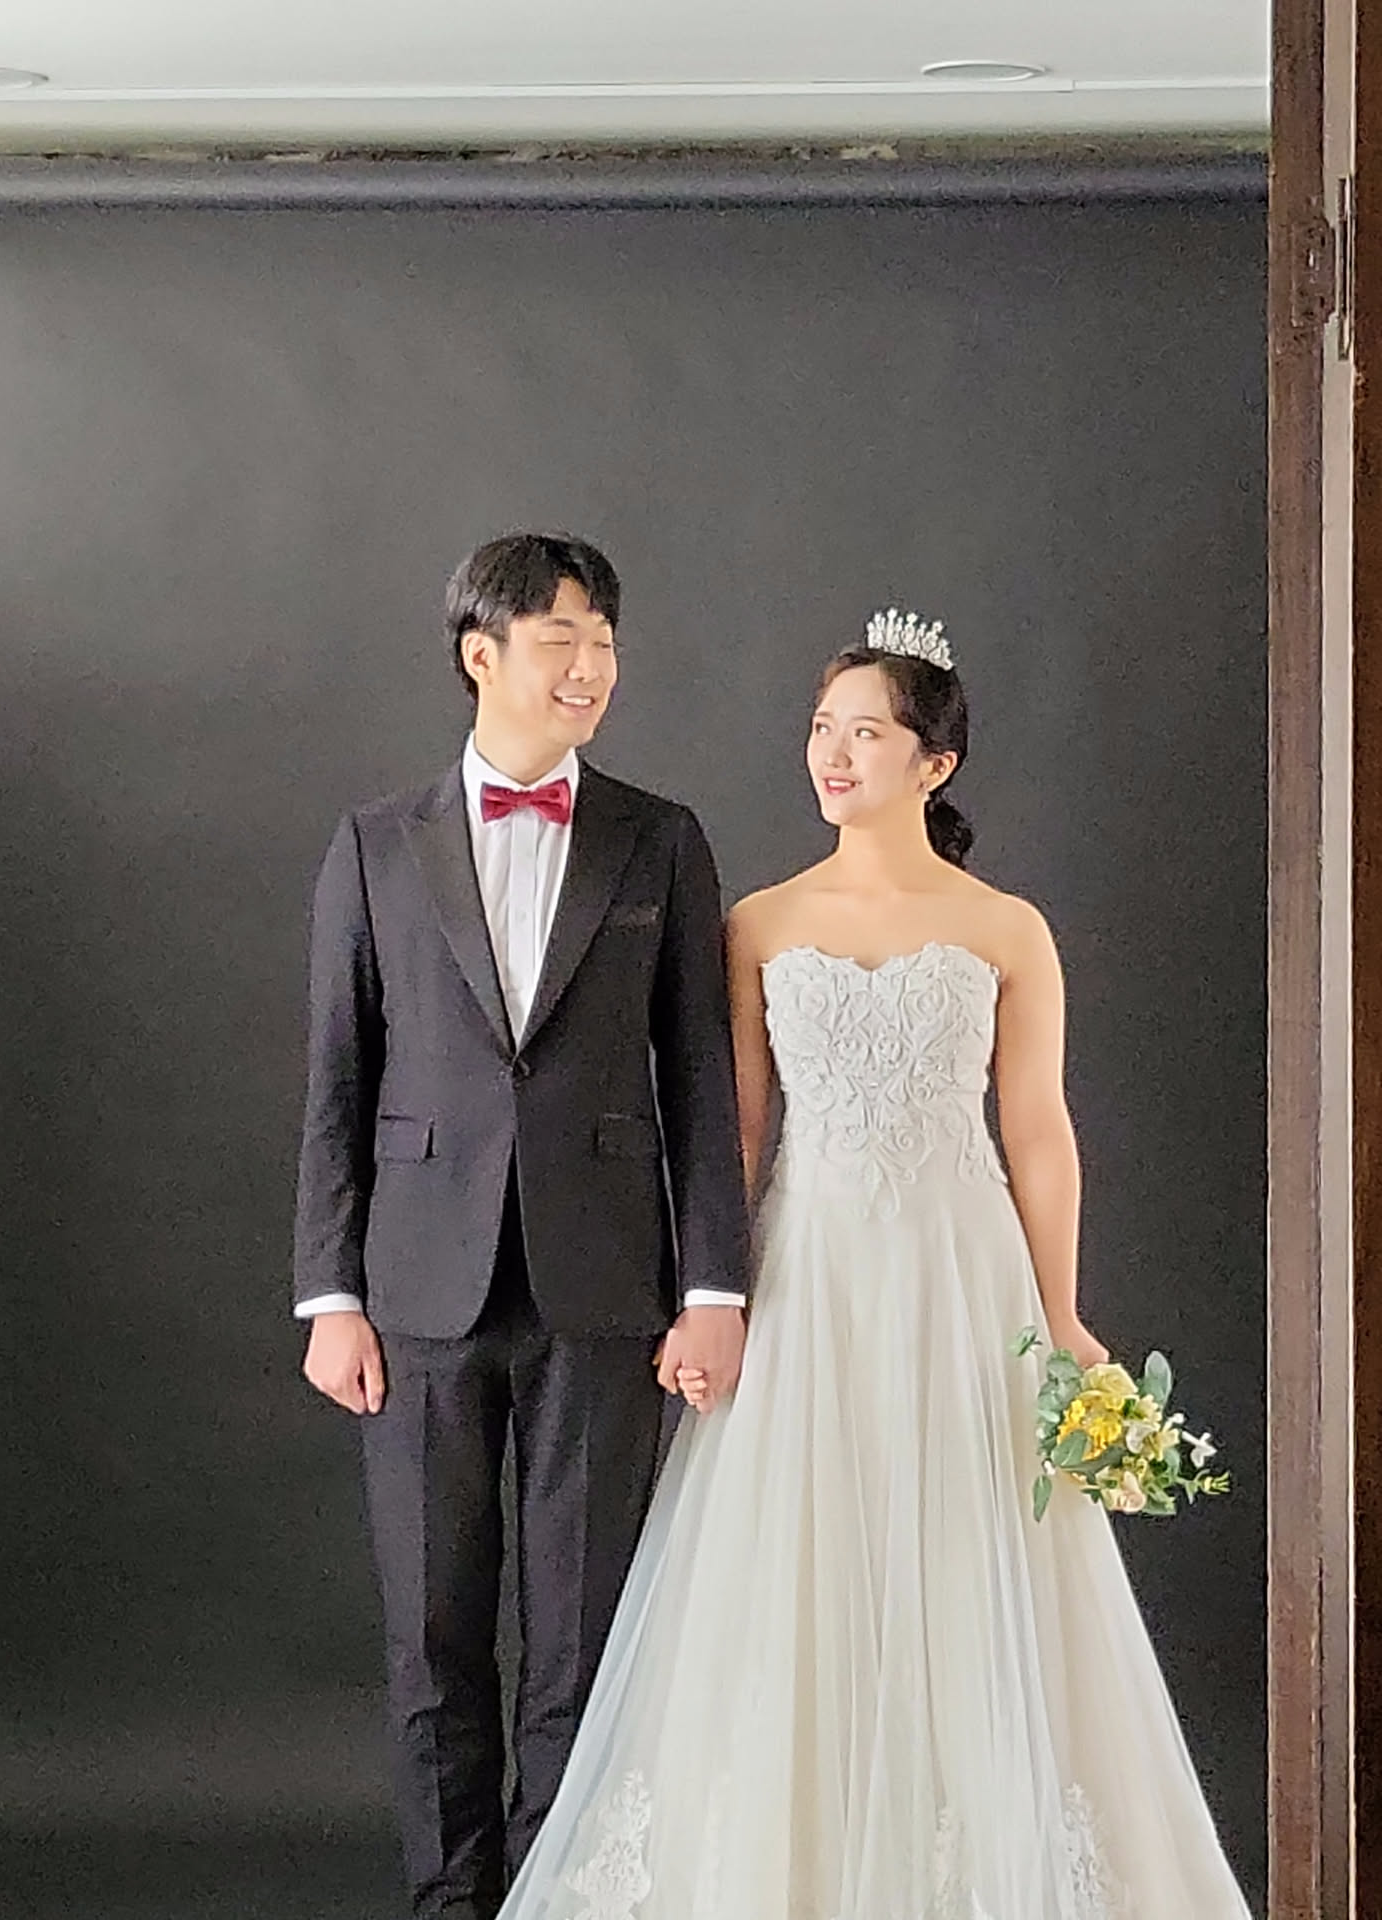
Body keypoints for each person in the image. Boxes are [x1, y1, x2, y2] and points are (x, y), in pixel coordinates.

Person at [493, 609, 1252, 1918]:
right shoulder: (760, 921)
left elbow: (1038, 1132)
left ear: (933, 763)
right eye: (820, 730)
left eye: (865, 733)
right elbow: (732, 1133)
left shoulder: (1006, 928)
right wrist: (706, 1294)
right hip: (809, 1277)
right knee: (795, 1566)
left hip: (962, 1277)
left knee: (966, 1560)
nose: (832, 755)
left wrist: (1064, 1314)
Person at [291, 532, 751, 1920]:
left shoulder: (660, 839)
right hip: (416, 1292)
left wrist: (714, 1287)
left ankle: (561, 1898)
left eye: (605, 642)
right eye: (563, 640)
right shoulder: (376, 843)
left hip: (606, 1291)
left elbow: (703, 1080)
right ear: (480, 655)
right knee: (433, 1638)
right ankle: (451, 1901)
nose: (592, 667)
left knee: (584, 1641)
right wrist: (329, 1295)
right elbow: (337, 1077)